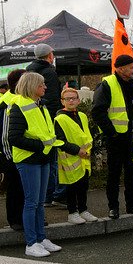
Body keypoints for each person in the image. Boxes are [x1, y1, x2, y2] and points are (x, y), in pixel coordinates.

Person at [6, 72, 64, 258]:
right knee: (31, 202)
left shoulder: (41, 105)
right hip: (29, 159)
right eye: (41, 85)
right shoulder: (18, 107)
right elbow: (14, 138)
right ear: (31, 86)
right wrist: (40, 146)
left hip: (42, 158)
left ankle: (40, 238)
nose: (45, 88)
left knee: (39, 203)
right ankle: (31, 243)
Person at [90, 54, 133, 219]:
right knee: (113, 175)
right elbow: (98, 111)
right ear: (120, 68)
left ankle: (132, 205)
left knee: (132, 173)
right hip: (115, 138)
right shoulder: (107, 83)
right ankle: (113, 207)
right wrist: (112, 133)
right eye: (131, 67)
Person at [54, 87, 97, 225]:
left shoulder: (82, 116)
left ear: (78, 100)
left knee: (83, 186)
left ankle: (83, 210)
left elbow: (87, 135)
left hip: (84, 157)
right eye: (68, 98)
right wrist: (77, 150)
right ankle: (72, 213)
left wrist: (88, 150)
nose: (71, 100)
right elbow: (59, 141)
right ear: (62, 102)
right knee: (72, 187)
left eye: (74, 98)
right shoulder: (59, 118)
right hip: (71, 158)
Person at [27, 44, 63, 206]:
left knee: (40, 157)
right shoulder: (49, 72)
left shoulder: (28, 70)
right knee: (52, 159)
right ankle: (51, 195)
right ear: (49, 56)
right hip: (48, 117)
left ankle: (44, 195)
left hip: (32, 118)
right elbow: (54, 98)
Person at [0, 69, 25, 231]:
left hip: (25, 155)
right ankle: (15, 220)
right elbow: (4, 135)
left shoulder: (25, 99)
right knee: (15, 188)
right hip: (12, 156)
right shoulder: (8, 102)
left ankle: (27, 218)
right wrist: (9, 157)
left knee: (25, 189)